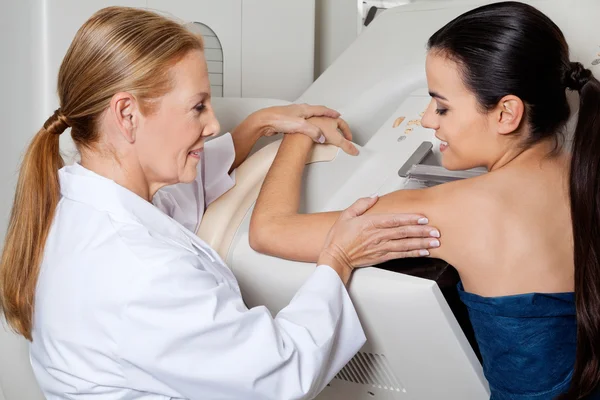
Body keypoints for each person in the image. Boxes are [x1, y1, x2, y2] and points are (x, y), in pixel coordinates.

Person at [0, 6, 442, 399]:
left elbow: (177, 201)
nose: (212, 124)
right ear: (127, 114)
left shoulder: (78, 199)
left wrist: (257, 127)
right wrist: (339, 258)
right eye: (197, 107)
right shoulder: (137, 272)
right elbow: (280, 374)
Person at [250, 2, 600, 399]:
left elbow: (268, 231)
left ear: (506, 113)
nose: (427, 120)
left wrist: (300, 133)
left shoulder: (454, 210)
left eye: (442, 106)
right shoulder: (588, 170)